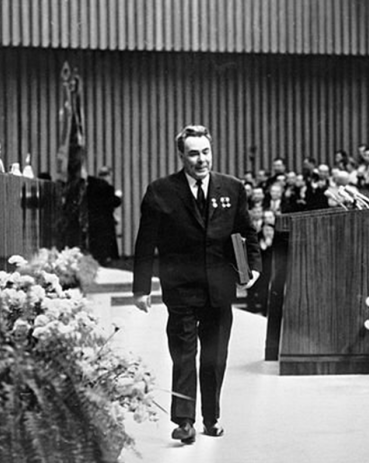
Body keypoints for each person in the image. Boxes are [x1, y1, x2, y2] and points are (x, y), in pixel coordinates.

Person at [132, 124, 261, 443]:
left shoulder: (232, 188)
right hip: (181, 288)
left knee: (215, 357)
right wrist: (141, 288)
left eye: (206, 152)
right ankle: (184, 421)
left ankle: (211, 418)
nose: (201, 159)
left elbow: (244, 232)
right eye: (193, 153)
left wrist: (251, 268)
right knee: (184, 354)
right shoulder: (161, 191)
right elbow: (145, 242)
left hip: (219, 288)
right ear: (181, 155)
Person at [87, 166, 123, 265]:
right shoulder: (108, 188)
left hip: (93, 219)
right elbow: (113, 202)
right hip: (106, 220)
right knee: (106, 242)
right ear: (109, 175)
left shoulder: (91, 187)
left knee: (96, 242)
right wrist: (118, 197)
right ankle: (106, 259)